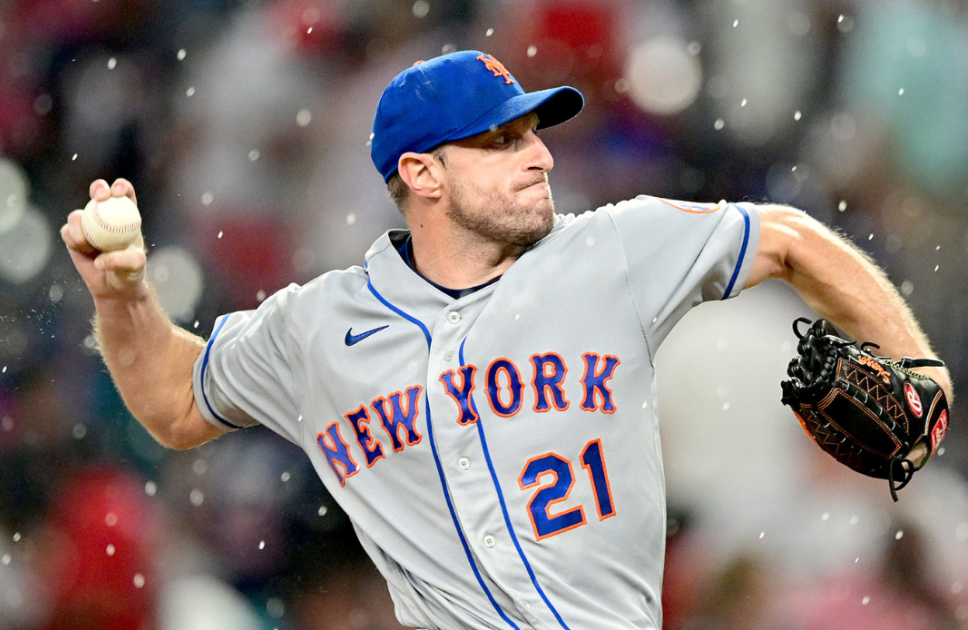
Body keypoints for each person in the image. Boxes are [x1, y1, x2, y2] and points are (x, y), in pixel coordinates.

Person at [61, 50, 952, 630]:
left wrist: (917, 365)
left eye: (534, 131)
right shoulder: (316, 326)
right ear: (422, 175)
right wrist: (125, 297)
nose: (541, 155)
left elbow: (789, 238)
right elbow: (176, 402)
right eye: (502, 139)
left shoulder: (614, 250)